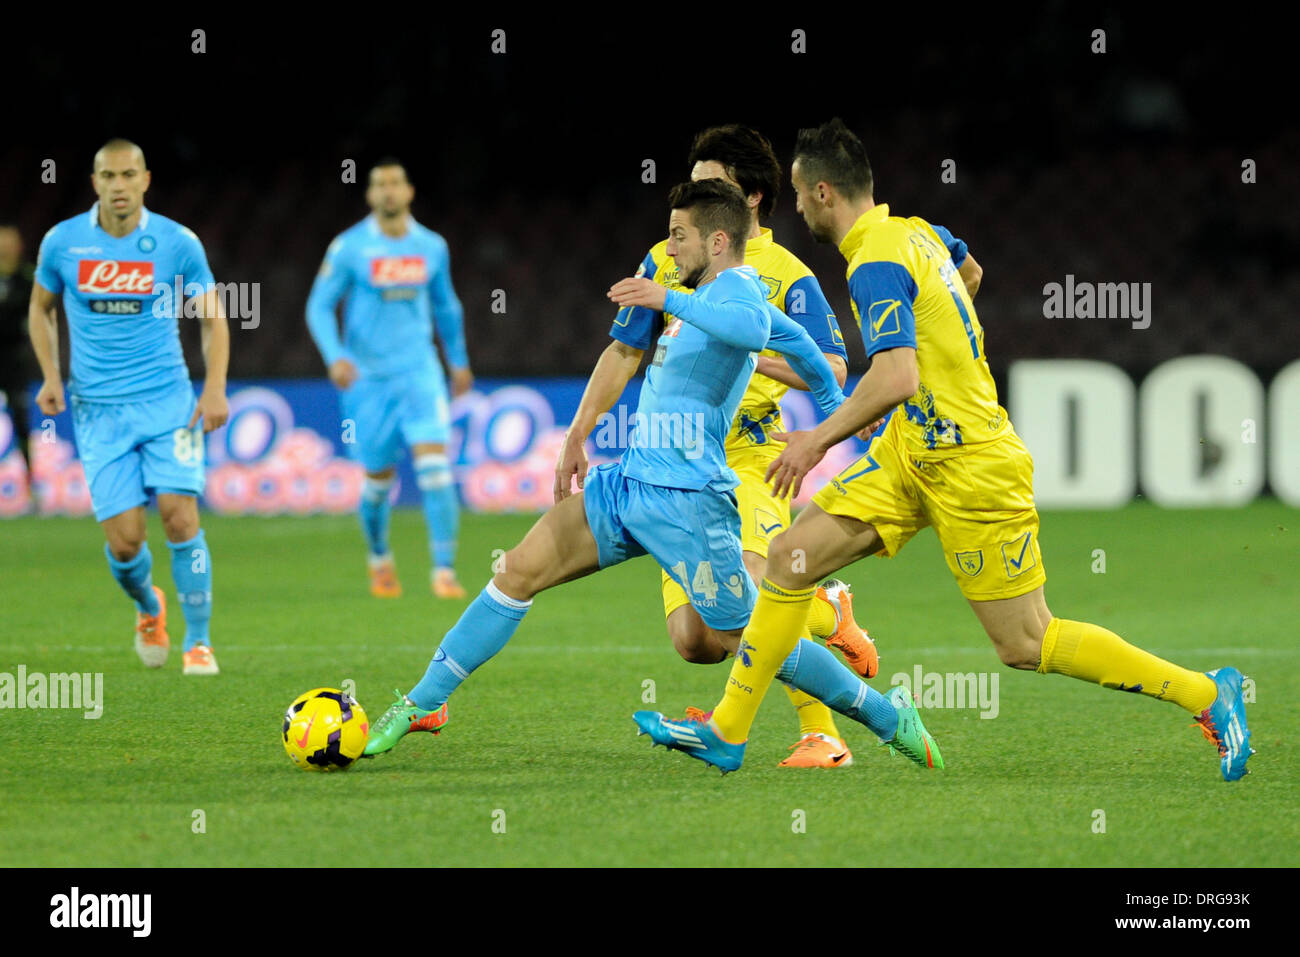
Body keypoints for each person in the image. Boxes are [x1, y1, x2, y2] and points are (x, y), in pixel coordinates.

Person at [640, 118, 1253, 782]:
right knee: (789, 561)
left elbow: (896, 376)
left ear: (821, 194)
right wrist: (943, 342)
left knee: (1024, 641)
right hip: (912, 452)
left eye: (796, 190)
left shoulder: (873, 259)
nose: (795, 205)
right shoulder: (920, 232)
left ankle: (1208, 693)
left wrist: (818, 436)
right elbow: (970, 272)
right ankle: (728, 732)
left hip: (972, 463)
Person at [363, 179, 891, 760]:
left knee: (747, 637)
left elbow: (752, 330)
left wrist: (668, 301)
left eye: (678, 237)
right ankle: (425, 701)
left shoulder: (738, 294)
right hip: (630, 487)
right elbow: (813, 359)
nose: (668, 250)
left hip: (690, 502)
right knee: (517, 572)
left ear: (718, 241)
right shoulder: (706, 292)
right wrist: (834, 414)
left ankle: (885, 714)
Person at [601, 124, 876, 769]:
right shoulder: (667, 259)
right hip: (674, 465)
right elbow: (624, 349)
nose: (695, 196)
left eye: (711, 185)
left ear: (749, 199)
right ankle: (823, 610)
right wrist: (579, 433)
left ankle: (823, 735)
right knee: (695, 639)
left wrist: (743, 356)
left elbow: (832, 368)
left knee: (755, 593)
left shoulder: (786, 274)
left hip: (746, 458)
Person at [28, 139, 229, 675]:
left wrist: (214, 388)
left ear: (145, 180)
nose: (119, 185)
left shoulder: (176, 242)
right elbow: (40, 309)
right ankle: (149, 607)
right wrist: (50, 375)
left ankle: (200, 642)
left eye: (128, 174)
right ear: (95, 182)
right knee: (125, 543)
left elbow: (213, 316)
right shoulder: (62, 243)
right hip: (98, 410)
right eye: (108, 176)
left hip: (170, 403)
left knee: (180, 517)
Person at [307, 158, 472, 600]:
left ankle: (444, 572)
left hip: (420, 374)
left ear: (409, 192)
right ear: (370, 195)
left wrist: (457, 361)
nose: (388, 191)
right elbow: (318, 306)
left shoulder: (432, 246)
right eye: (379, 184)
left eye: (395, 183)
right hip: (369, 383)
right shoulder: (349, 247)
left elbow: (446, 307)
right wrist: (335, 355)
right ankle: (380, 559)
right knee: (378, 483)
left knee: (437, 472)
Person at [0, 225, 36, 474]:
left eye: (9, 242)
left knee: (22, 420)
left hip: (16, 362)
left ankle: (31, 481)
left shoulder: (29, 279)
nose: (4, 248)